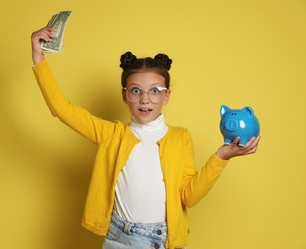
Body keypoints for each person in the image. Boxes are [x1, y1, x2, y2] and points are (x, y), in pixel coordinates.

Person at [31, 26, 260, 249]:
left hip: (163, 239)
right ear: (124, 95)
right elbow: (62, 109)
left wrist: (221, 157)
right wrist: (38, 57)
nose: (145, 99)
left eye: (155, 90)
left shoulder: (181, 138)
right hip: (119, 238)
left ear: (167, 96)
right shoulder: (111, 134)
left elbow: (188, 197)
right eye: (136, 90)